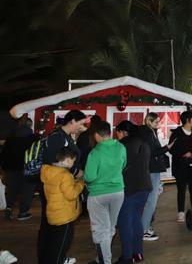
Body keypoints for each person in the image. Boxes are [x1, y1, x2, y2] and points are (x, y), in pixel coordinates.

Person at [37, 110, 86, 264]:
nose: (81, 127)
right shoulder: (58, 138)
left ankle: (50, 258)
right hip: (58, 192)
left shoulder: (62, 136)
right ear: (71, 121)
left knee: (51, 228)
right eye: (80, 123)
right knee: (57, 232)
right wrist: (76, 173)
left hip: (57, 189)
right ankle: (53, 258)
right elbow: (56, 161)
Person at [84, 121, 127, 264]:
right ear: (109, 132)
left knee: (101, 229)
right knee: (109, 227)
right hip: (118, 192)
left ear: (96, 135)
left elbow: (89, 177)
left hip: (98, 195)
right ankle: (102, 257)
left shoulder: (95, 152)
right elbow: (123, 165)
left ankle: (105, 260)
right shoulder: (121, 147)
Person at [39, 147, 84, 264]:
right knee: (62, 245)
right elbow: (71, 194)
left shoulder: (48, 172)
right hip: (64, 216)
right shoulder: (65, 175)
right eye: (73, 161)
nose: (73, 164)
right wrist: (80, 183)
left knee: (54, 243)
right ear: (68, 160)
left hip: (53, 213)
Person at [115, 121, 151, 264]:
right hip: (144, 186)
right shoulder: (143, 141)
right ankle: (138, 253)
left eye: (118, 132)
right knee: (136, 220)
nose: (117, 135)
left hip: (129, 187)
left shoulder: (124, 144)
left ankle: (127, 257)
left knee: (124, 222)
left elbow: (119, 165)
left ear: (124, 132)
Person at [137, 112, 173, 241]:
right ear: (149, 121)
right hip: (152, 169)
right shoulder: (148, 133)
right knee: (151, 201)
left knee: (149, 200)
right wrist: (167, 148)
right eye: (156, 122)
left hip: (149, 169)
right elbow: (152, 152)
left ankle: (144, 226)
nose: (158, 124)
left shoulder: (147, 132)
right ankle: (144, 229)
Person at [1, 116, 36, 221]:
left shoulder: (11, 138)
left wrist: (5, 168)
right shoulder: (34, 138)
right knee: (27, 191)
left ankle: (8, 207)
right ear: (31, 126)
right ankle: (23, 212)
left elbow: (3, 154)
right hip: (28, 169)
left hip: (12, 169)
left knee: (12, 190)